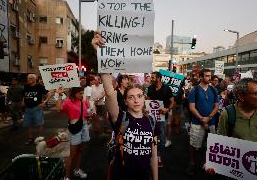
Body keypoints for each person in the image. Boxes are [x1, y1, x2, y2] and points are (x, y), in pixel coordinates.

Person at [92, 33, 159, 180]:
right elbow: (109, 93)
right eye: (131, 97)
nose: (136, 100)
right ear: (126, 101)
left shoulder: (152, 121)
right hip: (121, 175)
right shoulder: (121, 117)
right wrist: (100, 54)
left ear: (144, 99)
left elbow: (153, 156)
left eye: (139, 96)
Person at [207, 78, 257, 179]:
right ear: (241, 96)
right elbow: (221, 144)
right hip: (238, 173)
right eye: (256, 93)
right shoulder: (228, 114)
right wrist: (214, 163)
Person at [186, 68, 219, 176]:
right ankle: (192, 163)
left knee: (211, 144)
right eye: (206, 76)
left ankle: (206, 162)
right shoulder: (194, 90)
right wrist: (202, 119)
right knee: (194, 144)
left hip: (211, 122)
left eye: (210, 76)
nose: (209, 78)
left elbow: (217, 106)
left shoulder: (213, 90)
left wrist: (208, 118)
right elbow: (192, 108)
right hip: (196, 122)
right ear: (200, 77)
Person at [55, 87, 90, 180]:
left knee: (80, 150)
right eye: (80, 93)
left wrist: (89, 115)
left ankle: (77, 170)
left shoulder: (82, 101)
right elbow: (58, 109)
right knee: (73, 153)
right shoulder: (68, 102)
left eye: (83, 93)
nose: (82, 95)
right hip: (75, 128)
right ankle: (66, 176)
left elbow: (85, 113)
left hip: (84, 126)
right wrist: (59, 95)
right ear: (74, 93)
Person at [147, 71, 175, 167]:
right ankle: (150, 154)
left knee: (161, 138)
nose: (151, 79)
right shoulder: (150, 88)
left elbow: (172, 102)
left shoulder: (167, 88)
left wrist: (167, 109)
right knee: (150, 136)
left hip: (163, 117)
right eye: (151, 77)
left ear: (158, 78)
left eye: (153, 77)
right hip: (151, 117)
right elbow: (148, 99)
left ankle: (159, 156)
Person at [22, 74, 52, 145]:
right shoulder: (26, 86)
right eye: (28, 78)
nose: (28, 80)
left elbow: (49, 94)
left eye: (30, 78)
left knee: (39, 124)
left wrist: (44, 102)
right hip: (27, 109)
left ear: (34, 79)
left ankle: (40, 139)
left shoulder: (39, 86)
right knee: (28, 124)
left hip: (37, 108)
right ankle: (30, 138)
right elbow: (24, 96)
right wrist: (23, 103)